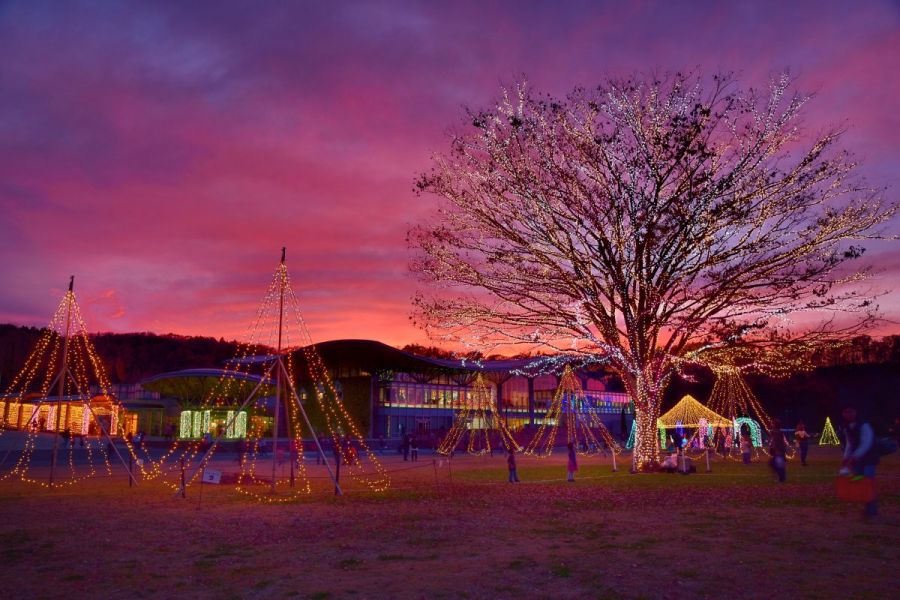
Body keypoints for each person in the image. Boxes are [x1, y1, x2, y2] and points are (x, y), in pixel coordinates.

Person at [841, 407, 879, 517]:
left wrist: (854, 456)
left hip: (869, 458)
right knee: (860, 480)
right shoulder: (847, 426)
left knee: (868, 481)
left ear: (855, 412)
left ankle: (871, 510)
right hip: (858, 458)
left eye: (850, 411)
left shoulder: (864, 425)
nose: (847, 414)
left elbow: (866, 443)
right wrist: (846, 457)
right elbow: (849, 443)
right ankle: (868, 507)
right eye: (845, 412)